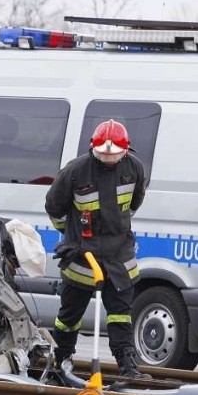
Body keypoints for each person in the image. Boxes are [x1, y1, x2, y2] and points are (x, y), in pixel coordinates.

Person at [45, 119, 150, 380]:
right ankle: (62, 358)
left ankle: (127, 365)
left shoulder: (134, 168)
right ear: (93, 148)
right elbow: (55, 208)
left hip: (118, 256)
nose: (108, 159)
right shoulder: (75, 171)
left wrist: (118, 227)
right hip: (82, 256)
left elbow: (134, 203)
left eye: (113, 155)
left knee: (121, 314)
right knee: (69, 314)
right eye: (103, 154)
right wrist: (71, 236)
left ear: (126, 150)